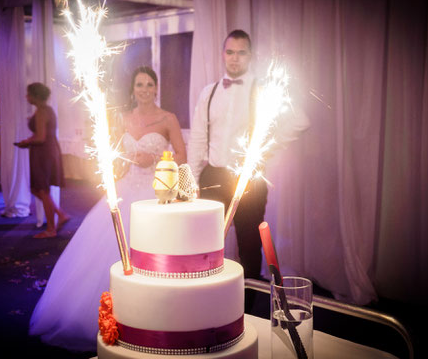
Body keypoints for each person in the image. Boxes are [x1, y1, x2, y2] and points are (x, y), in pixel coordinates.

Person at [29, 66, 186, 352]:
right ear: (133, 89)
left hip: (155, 193)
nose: (145, 89)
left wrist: (153, 157)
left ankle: (147, 318)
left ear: (157, 87)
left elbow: (181, 156)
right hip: (124, 189)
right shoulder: (123, 118)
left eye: (150, 84)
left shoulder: (168, 119)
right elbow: (113, 153)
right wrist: (123, 159)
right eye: (139, 84)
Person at [188, 30, 310, 283]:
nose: (234, 58)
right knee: (206, 243)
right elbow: (198, 138)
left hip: (249, 179)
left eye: (241, 52)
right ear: (223, 54)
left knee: (249, 245)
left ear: (250, 56)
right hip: (213, 174)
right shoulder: (208, 92)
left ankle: (248, 304)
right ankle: (206, 294)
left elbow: (300, 120)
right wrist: (192, 180)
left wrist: (265, 150)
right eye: (230, 52)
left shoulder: (264, 89)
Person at [16, 82, 70, 238]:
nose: (26, 97)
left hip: (43, 153)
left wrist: (27, 142)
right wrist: (29, 141)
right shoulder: (48, 110)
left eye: (28, 94)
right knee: (37, 189)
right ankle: (60, 214)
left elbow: (40, 137)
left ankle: (51, 229)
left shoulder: (41, 111)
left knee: (42, 190)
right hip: (47, 150)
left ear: (35, 96)